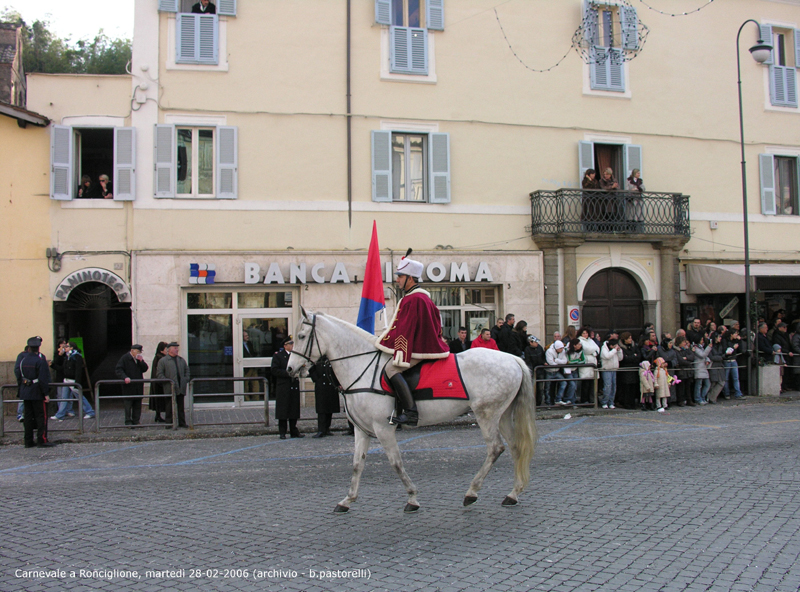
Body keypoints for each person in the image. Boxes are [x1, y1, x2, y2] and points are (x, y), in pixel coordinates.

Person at [376, 254, 450, 426]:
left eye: (400, 277)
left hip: (419, 348)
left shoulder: (413, 299)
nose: (397, 280)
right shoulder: (423, 297)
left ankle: (410, 412)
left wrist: (394, 349)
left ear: (410, 278)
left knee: (391, 369)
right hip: (424, 344)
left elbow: (405, 329)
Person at [15, 337, 52, 448]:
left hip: (25, 391)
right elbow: (43, 379)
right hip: (37, 391)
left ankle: (28, 440)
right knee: (41, 416)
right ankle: (41, 439)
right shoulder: (39, 361)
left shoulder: (22, 360)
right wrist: (45, 393)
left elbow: (18, 374)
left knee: (28, 417)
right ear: (38, 347)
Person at [272, 338, 304, 439]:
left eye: (292, 343)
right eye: (290, 344)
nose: (292, 345)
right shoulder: (278, 356)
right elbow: (274, 370)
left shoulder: (295, 356)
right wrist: (287, 373)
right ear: (285, 346)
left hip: (293, 385)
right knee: (283, 410)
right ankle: (282, 431)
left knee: (293, 409)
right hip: (284, 385)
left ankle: (294, 430)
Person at [157, 342, 190, 429]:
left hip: (181, 387)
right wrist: (167, 381)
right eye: (175, 348)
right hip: (169, 388)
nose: (177, 349)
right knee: (169, 407)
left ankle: (182, 422)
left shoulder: (181, 360)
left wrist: (185, 379)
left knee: (180, 407)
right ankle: (169, 423)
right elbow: (159, 374)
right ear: (169, 349)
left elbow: (187, 371)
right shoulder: (163, 361)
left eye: (177, 348)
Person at [115, 344, 149, 427]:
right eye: (137, 351)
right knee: (128, 405)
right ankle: (128, 421)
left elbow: (145, 369)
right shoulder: (125, 358)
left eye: (140, 352)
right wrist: (125, 377)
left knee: (137, 404)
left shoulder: (138, 359)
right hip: (129, 386)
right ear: (132, 350)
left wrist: (141, 362)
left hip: (138, 385)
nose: (139, 353)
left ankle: (136, 421)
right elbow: (118, 369)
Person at [309, 356, 340, 438]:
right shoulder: (317, 359)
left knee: (330, 408)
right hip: (321, 387)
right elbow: (311, 369)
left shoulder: (331, 358)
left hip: (331, 385)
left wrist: (337, 383)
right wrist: (316, 379)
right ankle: (321, 429)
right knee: (321, 410)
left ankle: (327, 428)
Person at [63, 342, 94, 419]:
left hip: (73, 381)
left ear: (71, 348)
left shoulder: (76, 356)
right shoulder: (67, 356)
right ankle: (60, 414)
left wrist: (77, 382)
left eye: (67, 346)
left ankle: (89, 411)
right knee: (63, 398)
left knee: (79, 396)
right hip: (66, 379)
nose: (65, 348)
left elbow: (78, 371)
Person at [50, 339, 75, 421]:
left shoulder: (69, 354)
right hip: (60, 377)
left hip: (68, 376)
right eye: (63, 344)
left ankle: (69, 410)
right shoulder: (58, 354)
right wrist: (60, 355)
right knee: (61, 395)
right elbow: (56, 364)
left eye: (66, 344)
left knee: (70, 395)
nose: (64, 346)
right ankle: (61, 411)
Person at [617, 332, 642, 409]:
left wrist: (632, 357)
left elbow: (639, 356)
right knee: (626, 388)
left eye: (631, 338)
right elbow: (624, 359)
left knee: (633, 387)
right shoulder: (622, 348)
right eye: (629, 338)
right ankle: (626, 403)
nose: (630, 340)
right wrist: (633, 356)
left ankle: (632, 403)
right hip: (626, 371)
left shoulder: (634, 347)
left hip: (634, 370)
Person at [577, 327, 600, 404]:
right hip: (586, 365)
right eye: (584, 333)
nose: (585, 334)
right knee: (585, 385)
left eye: (586, 333)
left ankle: (591, 399)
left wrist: (593, 351)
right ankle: (584, 400)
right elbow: (586, 350)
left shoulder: (591, 340)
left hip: (593, 363)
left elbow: (597, 349)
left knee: (592, 384)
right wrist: (593, 351)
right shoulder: (580, 340)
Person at [600, 335, 622, 409]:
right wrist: (614, 350)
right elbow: (607, 356)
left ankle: (611, 402)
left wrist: (619, 351)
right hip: (607, 369)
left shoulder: (615, 350)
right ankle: (604, 401)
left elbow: (620, 358)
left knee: (613, 387)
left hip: (614, 369)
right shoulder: (604, 349)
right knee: (607, 386)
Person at [149, 341, 169, 423]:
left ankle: (158, 415)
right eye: (166, 349)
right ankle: (158, 415)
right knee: (160, 399)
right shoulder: (160, 359)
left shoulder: (159, 357)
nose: (167, 351)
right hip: (159, 383)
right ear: (161, 350)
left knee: (159, 400)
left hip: (158, 382)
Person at [524, 335, 546, 404]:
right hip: (533, 370)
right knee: (532, 387)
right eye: (535, 342)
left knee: (540, 388)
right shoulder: (527, 349)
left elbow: (543, 356)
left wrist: (544, 362)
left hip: (540, 370)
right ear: (530, 342)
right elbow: (528, 361)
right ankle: (531, 402)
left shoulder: (539, 348)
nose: (537, 343)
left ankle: (538, 403)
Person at [544, 340, 568, 405]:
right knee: (547, 388)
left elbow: (565, 361)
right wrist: (560, 362)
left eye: (562, 348)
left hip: (557, 371)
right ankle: (548, 402)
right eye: (560, 348)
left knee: (564, 383)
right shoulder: (549, 351)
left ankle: (558, 399)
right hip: (549, 371)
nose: (562, 349)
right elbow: (551, 362)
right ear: (557, 348)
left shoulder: (562, 351)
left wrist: (556, 360)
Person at [674, 336, 696, 406]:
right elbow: (680, 360)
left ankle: (689, 400)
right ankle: (680, 400)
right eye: (683, 342)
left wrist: (686, 358)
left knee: (688, 386)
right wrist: (688, 362)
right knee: (681, 387)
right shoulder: (676, 351)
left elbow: (692, 356)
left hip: (687, 371)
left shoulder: (686, 349)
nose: (685, 343)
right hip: (681, 371)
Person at [706, 333, 726, 404]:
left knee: (721, 382)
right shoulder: (711, 346)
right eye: (718, 337)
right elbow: (712, 357)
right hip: (713, 366)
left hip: (720, 365)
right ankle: (708, 397)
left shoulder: (720, 346)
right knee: (713, 382)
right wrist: (721, 357)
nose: (720, 338)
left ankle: (712, 397)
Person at [625, 168, 645, 232]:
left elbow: (643, 188)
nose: (639, 174)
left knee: (638, 214)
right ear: (634, 173)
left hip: (638, 199)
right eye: (638, 173)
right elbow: (626, 189)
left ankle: (637, 229)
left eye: (639, 173)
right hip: (631, 199)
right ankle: (630, 229)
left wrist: (638, 188)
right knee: (631, 214)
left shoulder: (640, 181)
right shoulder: (628, 180)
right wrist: (632, 190)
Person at [242, 330, 260, 401]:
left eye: (247, 335)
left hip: (252, 366)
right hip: (245, 368)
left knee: (255, 384)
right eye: (245, 336)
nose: (247, 337)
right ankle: (246, 400)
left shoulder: (249, 344)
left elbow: (252, 353)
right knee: (245, 385)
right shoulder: (239, 345)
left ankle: (256, 399)